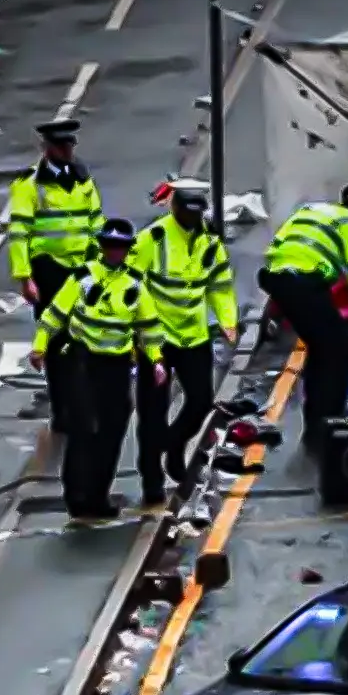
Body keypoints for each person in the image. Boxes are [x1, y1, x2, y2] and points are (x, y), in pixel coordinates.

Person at [29, 219, 166, 523]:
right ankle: (77, 497)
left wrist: (156, 360)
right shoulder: (83, 278)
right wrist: (40, 346)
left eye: (121, 247)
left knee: (112, 431)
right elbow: (54, 314)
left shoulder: (134, 284)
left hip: (116, 367)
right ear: (102, 247)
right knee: (82, 427)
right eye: (110, 246)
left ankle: (98, 496)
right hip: (83, 361)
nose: (115, 252)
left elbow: (148, 327)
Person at [131, 178, 238, 503]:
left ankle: (174, 445)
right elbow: (131, 284)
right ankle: (151, 480)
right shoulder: (153, 238)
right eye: (186, 214)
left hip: (193, 334)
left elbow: (220, 285)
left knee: (201, 401)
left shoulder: (209, 242)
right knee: (152, 412)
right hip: (156, 337)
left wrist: (228, 321)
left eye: (197, 215)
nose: (192, 221)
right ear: (175, 209)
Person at [258, 185, 348, 447]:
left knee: (322, 350)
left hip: (277, 278)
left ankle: (316, 421)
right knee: (341, 353)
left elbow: (280, 251)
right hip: (304, 283)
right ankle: (325, 424)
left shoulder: (310, 211)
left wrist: (272, 311)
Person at [8, 118, 105, 431]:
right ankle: (65, 412)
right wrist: (25, 277)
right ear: (47, 148)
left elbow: (96, 222)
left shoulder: (82, 180)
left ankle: (83, 407)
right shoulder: (30, 185)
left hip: (81, 268)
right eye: (60, 146)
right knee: (57, 343)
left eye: (69, 145)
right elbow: (19, 234)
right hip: (49, 269)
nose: (66, 150)